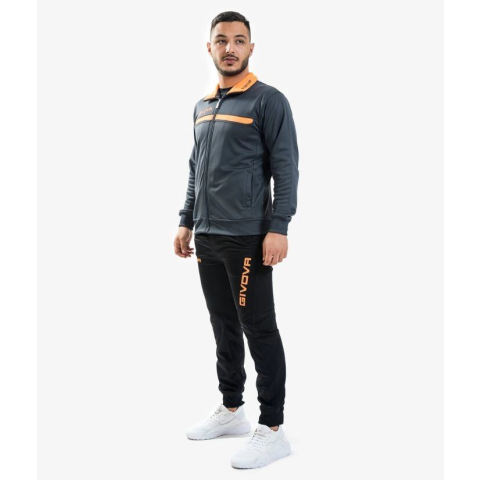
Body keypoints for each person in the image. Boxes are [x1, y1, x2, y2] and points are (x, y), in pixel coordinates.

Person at [173, 11, 299, 469]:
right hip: (207, 236)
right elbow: (196, 168)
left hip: (247, 236)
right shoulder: (203, 106)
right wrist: (186, 220)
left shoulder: (269, 101)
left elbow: (286, 167)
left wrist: (279, 226)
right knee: (222, 324)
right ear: (209, 48)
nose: (230, 48)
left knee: (258, 327)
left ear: (251, 48)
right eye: (222, 40)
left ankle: (273, 428)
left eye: (239, 40)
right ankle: (232, 409)